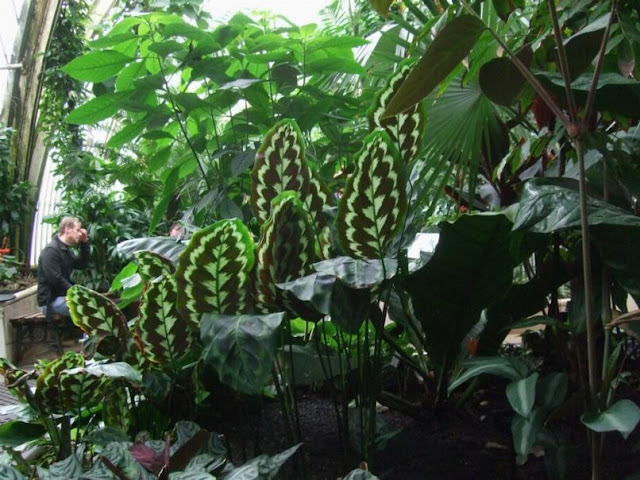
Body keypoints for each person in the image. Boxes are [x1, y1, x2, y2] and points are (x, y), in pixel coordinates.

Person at [37, 216, 90, 316]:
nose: (80, 233)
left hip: (62, 298)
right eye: (77, 230)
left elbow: (82, 264)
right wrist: (76, 292)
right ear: (67, 229)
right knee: (86, 308)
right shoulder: (51, 251)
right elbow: (55, 279)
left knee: (91, 304)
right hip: (50, 302)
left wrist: (84, 243)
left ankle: (86, 332)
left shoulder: (65, 250)